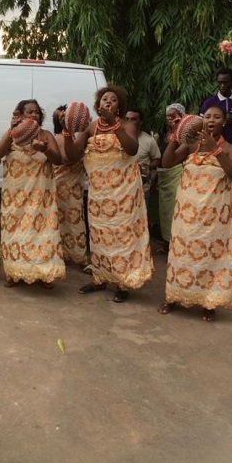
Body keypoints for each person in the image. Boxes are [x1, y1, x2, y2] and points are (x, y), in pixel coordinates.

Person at [60, 85, 153, 302]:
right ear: (98, 105)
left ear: (119, 105)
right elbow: (73, 155)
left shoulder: (127, 125)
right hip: (99, 195)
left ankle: (123, 282)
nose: (107, 102)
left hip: (123, 194)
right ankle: (100, 278)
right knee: (100, 236)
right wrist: (67, 132)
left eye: (112, 99)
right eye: (104, 100)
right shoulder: (91, 127)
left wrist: (114, 124)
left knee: (122, 237)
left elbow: (131, 149)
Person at [158, 106, 232, 321]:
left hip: (214, 220)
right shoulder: (190, 145)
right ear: (201, 120)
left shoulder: (231, 149)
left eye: (217, 117)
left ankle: (209, 302)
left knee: (210, 258)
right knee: (181, 255)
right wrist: (175, 138)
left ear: (224, 122)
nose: (211, 120)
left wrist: (216, 150)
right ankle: (173, 296)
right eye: (207, 116)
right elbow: (166, 163)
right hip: (186, 216)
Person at [0, 99, 66, 289]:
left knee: (42, 234)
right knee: (14, 234)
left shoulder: (46, 135)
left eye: (36, 113)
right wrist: (11, 131)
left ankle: (44, 273)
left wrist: (46, 149)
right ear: (20, 115)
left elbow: (58, 160)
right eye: (29, 112)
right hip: (15, 197)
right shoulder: (12, 135)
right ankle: (14, 273)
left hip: (40, 196)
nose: (34, 115)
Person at [52, 105, 89, 267]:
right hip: (63, 187)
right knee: (72, 223)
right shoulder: (60, 138)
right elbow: (68, 159)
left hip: (73, 187)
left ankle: (68, 254)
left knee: (70, 222)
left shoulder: (77, 138)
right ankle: (76, 256)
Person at [157, 103, 186, 249]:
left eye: (173, 116)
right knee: (166, 211)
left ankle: (177, 241)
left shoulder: (185, 134)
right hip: (164, 176)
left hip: (177, 173)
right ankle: (167, 239)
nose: (170, 119)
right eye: (168, 116)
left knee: (176, 209)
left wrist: (177, 132)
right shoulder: (164, 133)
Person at [124, 108, 161, 210]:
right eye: (127, 119)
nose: (130, 122)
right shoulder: (118, 138)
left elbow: (157, 159)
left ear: (140, 122)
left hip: (142, 187)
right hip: (122, 187)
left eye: (133, 119)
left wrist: (145, 168)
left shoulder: (149, 141)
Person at [199, 68, 232, 146]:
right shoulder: (209, 103)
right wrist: (222, 118)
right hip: (213, 144)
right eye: (220, 83)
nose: (222, 86)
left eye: (226, 82)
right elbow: (200, 123)